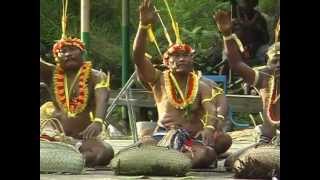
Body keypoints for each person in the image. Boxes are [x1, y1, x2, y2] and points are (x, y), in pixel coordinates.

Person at [132, 0, 232, 168]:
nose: (181, 59)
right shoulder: (158, 79)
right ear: (166, 62)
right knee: (144, 145)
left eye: (185, 55)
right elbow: (138, 56)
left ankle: (172, 160)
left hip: (192, 138)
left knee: (206, 154)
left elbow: (212, 109)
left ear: (192, 59)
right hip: (163, 135)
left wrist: (209, 127)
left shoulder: (202, 85)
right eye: (176, 56)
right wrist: (143, 26)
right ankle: (171, 158)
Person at [40, 37, 114, 167]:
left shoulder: (96, 76)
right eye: (63, 51)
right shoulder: (50, 73)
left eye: (73, 50)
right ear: (56, 57)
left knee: (103, 153)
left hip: (84, 140)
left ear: (82, 53)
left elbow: (102, 97)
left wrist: (98, 121)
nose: (68, 54)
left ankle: (63, 161)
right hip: (55, 137)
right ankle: (64, 160)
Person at [214, 10, 280, 144]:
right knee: (234, 162)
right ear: (267, 61)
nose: (279, 65)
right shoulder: (264, 79)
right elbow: (236, 64)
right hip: (268, 141)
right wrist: (227, 35)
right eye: (275, 61)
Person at [219, 0, 270, 94]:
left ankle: (266, 84)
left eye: (249, 2)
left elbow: (265, 38)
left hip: (256, 47)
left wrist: (255, 30)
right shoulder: (232, 16)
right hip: (236, 47)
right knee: (226, 57)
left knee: (267, 52)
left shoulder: (259, 18)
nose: (247, 4)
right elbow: (227, 36)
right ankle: (221, 85)